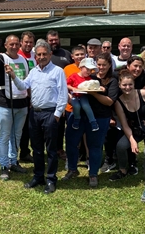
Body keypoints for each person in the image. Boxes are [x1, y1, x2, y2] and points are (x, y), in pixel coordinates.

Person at [5, 39, 68, 194]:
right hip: (35, 114)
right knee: (37, 148)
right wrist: (13, 75)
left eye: (44, 54)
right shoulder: (33, 71)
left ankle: (51, 179)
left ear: (50, 54)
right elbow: (23, 86)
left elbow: (63, 94)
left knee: (51, 150)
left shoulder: (57, 71)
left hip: (50, 114)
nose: (41, 57)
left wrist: (57, 115)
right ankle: (38, 176)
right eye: (38, 54)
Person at [63, 53, 119, 187]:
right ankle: (72, 169)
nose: (101, 67)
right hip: (79, 114)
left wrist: (93, 92)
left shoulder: (112, 80)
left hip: (99, 117)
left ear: (109, 65)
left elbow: (109, 102)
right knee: (71, 142)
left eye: (104, 65)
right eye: (98, 64)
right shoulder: (89, 77)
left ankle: (93, 174)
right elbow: (73, 88)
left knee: (95, 145)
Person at [109, 70, 145, 181]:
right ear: (119, 85)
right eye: (124, 85)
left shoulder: (144, 94)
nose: (127, 87)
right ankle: (122, 170)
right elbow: (124, 124)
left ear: (134, 84)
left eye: (130, 84)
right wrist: (132, 140)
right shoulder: (118, 102)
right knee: (121, 146)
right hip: (135, 128)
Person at [0, 35, 30, 180]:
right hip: (5, 103)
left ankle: (13, 161)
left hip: (22, 103)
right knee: (5, 135)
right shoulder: (1, 58)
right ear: (5, 45)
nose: (14, 47)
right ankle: (4, 165)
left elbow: (28, 81)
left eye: (17, 44)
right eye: (11, 44)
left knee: (17, 135)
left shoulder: (24, 60)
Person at [46, 30, 73, 161]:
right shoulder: (46, 55)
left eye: (55, 39)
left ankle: (60, 149)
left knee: (61, 125)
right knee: (49, 126)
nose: (53, 42)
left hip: (64, 95)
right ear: (47, 41)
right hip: (48, 96)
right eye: (51, 40)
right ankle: (49, 150)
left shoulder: (66, 54)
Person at [17, 31, 36, 163]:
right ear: (21, 42)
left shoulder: (35, 56)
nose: (28, 44)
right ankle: (14, 155)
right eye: (26, 42)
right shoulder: (16, 55)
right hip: (18, 96)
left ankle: (25, 152)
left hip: (32, 97)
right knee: (18, 128)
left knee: (29, 127)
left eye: (30, 42)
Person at [67, 58, 99, 131]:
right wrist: (72, 88)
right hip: (74, 95)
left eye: (91, 70)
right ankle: (76, 119)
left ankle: (93, 121)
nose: (89, 72)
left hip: (83, 95)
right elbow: (67, 84)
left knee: (86, 106)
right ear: (81, 67)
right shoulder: (74, 76)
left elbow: (92, 86)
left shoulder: (89, 78)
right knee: (76, 106)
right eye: (87, 69)